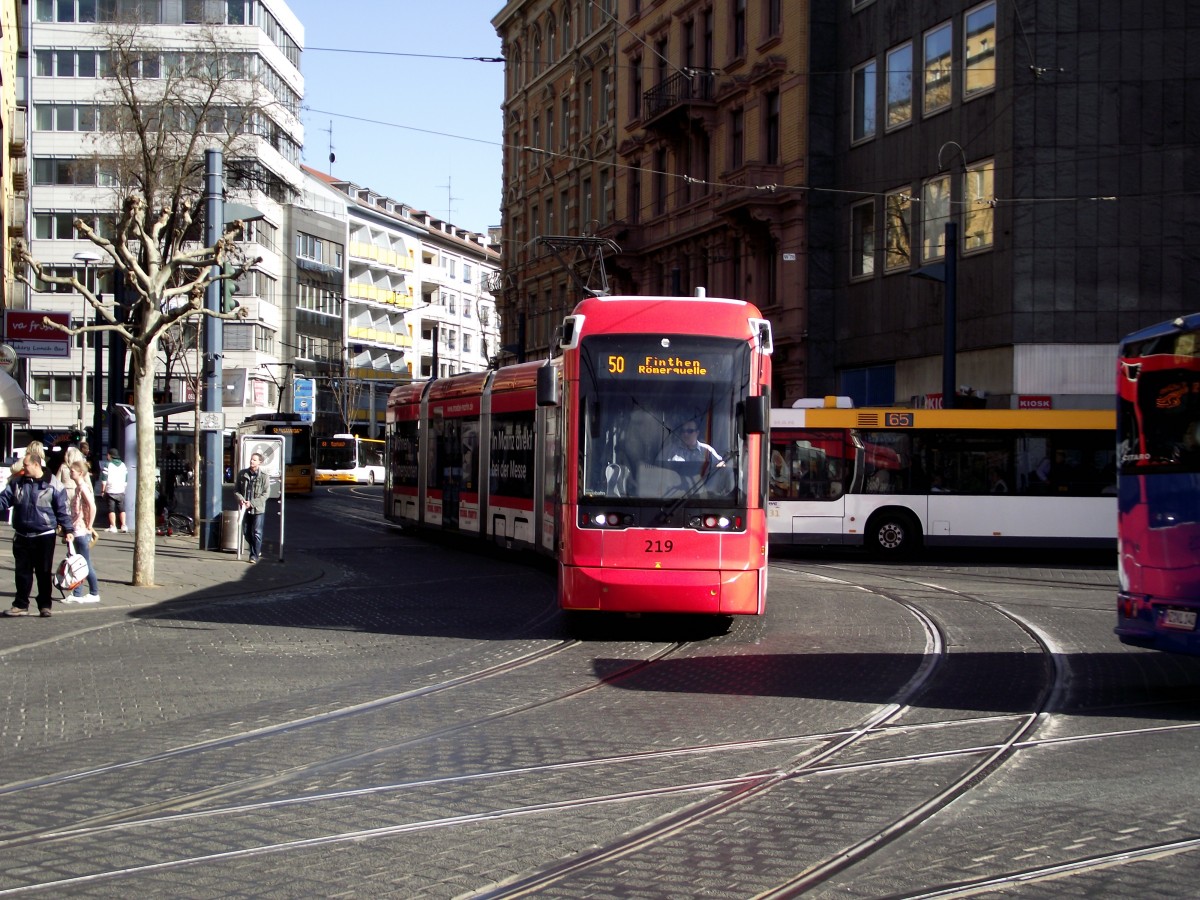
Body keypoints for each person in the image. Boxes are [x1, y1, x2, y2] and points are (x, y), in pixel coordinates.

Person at [0, 448, 75, 617]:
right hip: (22, 534)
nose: (23, 469)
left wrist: (68, 529)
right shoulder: (17, 482)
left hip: (44, 535)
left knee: (43, 572)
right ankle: (21, 605)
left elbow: (62, 509)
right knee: (22, 573)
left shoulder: (53, 484)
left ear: (36, 464)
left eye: (26, 465)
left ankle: (44, 605)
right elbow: (4, 499)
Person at [63, 459, 100, 604]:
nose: (70, 472)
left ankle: (91, 593)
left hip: (81, 531)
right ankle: (82, 593)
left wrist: (89, 526)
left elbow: (93, 506)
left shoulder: (83, 488)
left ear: (80, 473)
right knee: (80, 562)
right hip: (77, 530)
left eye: (72, 470)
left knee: (83, 563)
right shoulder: (78, 488)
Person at [235, 451, 269, 564]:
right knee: (246, 531)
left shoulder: (264, 476)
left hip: (258, 509)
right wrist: (241, 500)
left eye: (254, 460)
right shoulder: (242, 474)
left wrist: (252, 503)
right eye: (251, 459)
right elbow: (236, 490)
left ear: (260, 462)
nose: (251, 461)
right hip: (245, 508)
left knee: (257, 532)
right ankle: (256, 548)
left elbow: (266, 494)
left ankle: (254, 556)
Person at [659, 420, 724, 467]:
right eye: (683, 431)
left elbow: (722, 464)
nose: (685, 434)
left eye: (689, 431)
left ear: (697, 433)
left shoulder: (707, 450)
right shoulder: (670, 450)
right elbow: (657, 467)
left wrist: (720, 466)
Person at [101, 448, 128, 533]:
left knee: (111, 509)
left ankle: (113, 526)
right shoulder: (123, 465)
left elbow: (104, 479)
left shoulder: (107, 465)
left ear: (110, 455)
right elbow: (126, 479)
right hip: (121, 490)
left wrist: (102, 490)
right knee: (122, 509)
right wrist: (124, 488)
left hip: (111, 490)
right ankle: (124, 525)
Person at [56, 446, 86, 511]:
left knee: (65, 511)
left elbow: (56, 481)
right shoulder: (82, 467)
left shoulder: (63, 466)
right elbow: (87, 481)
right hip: (79, 490)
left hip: (65, 491)